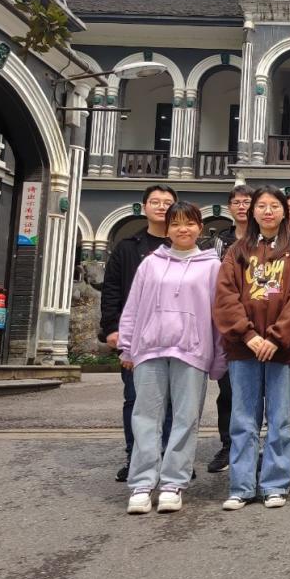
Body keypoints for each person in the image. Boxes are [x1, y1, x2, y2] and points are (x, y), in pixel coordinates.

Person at [118, 202, 226, 514]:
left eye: (189, 223)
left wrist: (219, 358)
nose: (183, 229)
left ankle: (172, 483)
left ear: (199, 228)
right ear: (167, 229)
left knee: (185, 419)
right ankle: (142, 484)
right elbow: (133, 307)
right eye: (176, 224)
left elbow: (218, 315)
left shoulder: (211, 267)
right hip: (150, 348)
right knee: (145, 417)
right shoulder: (151, 264)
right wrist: (127, 346)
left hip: (192, 351)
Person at [213, 186, 290, 510]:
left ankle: (275, 484)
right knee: (243, 420)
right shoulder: (237, 251)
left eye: (274, 206)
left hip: (283, 349)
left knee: (280, 420)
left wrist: (275, 338)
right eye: (262, 206)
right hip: (244, 349)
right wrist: (248, 335)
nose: (268, 211)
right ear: (252, 212)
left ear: (284, 212)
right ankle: (241, 487)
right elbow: (225, 295)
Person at [99, 184, 177, 482]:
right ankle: (136, 456)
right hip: (137, 336)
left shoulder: (182, 246)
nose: (161, 207)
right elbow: (112, 290)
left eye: (167, 202)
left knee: (172, 401)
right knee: (135, 398)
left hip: (174, 336)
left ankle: (169, 458)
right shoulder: (128, 248)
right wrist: (112, 328)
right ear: (144, 207)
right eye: (155, 202)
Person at [207, 184, 253, 474]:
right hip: (227, 325)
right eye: (237, 202)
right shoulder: (218, 243)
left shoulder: (266, 239)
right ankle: (228, 445)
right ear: (230, 207)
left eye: (247, 201)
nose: (242, 206)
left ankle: (254, 444)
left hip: (260, 323)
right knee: (228, 390)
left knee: (259, 392)